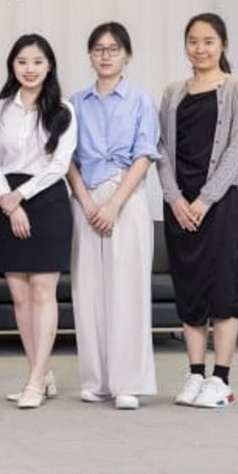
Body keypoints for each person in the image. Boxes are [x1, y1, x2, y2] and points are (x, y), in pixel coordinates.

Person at [157, 13, 238, 409]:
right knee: (190, 290)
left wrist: (204, 199)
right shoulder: (173, 92)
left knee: (224, 291)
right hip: (179, 207)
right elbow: (161, 149)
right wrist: (175, 198)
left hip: (218, 204)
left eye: (208, 41)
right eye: (193, 41)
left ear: (222, 44)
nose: (200, 49)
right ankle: (196, 373)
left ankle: (221, 380)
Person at [66, 21, 159, 411]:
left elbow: (145, 155)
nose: (105, 56)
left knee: (128, 290)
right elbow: (66, 159)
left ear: (127, 55)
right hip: (85, 198)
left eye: (113, 49)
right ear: (90, 56)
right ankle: (97, 380)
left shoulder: (141, 101)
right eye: (98, 49)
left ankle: (128, 382)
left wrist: (114, 203)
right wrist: (88, 203)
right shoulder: (74, 104)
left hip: (127, 197)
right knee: (87, 290)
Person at [0, 33, 76, 409]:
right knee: (20, 295)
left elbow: (59, 165)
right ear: (12, 65)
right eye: (22, 61)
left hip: (47, 201)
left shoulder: (64, 110)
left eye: (37, 61)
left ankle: (35, 382)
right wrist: (8, 201)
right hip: (6, 200)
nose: (29, 68)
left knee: (42, 291)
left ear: (49, 66)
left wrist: (20, 196)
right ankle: (41, 371)